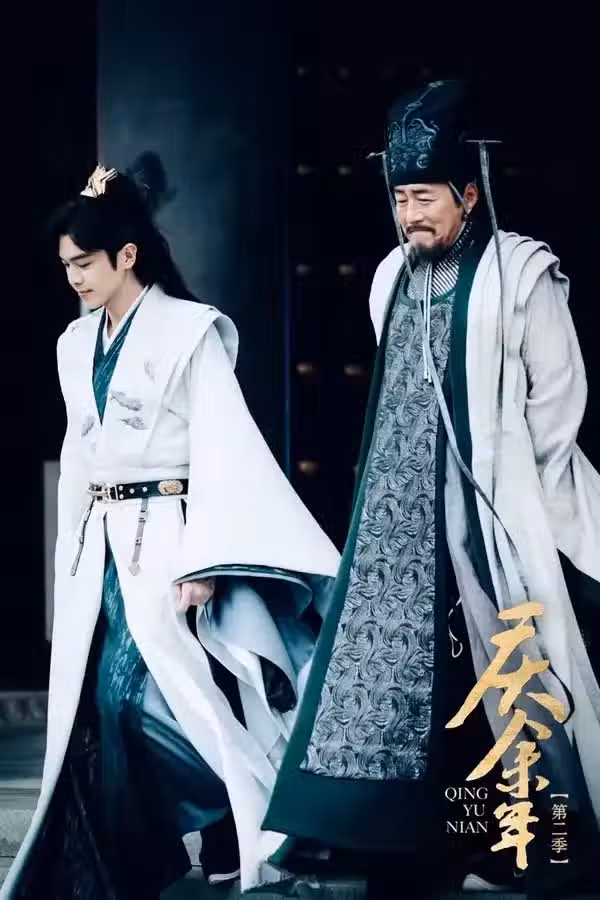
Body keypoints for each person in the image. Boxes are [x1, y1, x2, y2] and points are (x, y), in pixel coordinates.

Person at [263, 80, 600, 897]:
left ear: (468, 196)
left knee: (513, 669)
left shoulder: (522, 272)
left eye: (425, 198)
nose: (409, 214)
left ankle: (545, 848)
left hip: (491, 506)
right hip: (399, 513)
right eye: (400, 198)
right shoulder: (390, 275)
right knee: (395, 674)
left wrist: (515, 495)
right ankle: (375, 839)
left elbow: (560, 399)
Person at [2, 162, 340, 899]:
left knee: (139, 697)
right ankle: (133, 855)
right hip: (102, 544)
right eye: (66, 266)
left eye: (85, 263)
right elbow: (80, 452)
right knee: (97, 704)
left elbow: (226, 447)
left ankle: (235, 814)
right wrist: (69, 554)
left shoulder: (190, 332)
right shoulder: (74, 344)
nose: (75, 278)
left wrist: (207, 557)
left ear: (127, 255)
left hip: (169, 536)